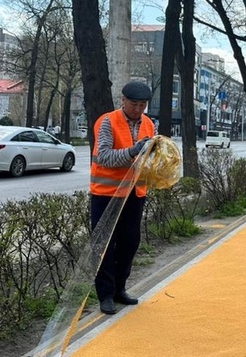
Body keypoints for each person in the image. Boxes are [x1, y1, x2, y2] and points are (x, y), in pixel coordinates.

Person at [90, 81, 156, 315]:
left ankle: (119, 289)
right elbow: (104, 157)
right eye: (134, 104)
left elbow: (148, 158)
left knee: (129, 243)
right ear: (123, 101)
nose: (138, 109)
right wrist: (134, 151)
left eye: (143, 105)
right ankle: (105, 295)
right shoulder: (108, 121)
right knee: (105, 246)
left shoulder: (149, 124)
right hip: (106, 194)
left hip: (135, 195)